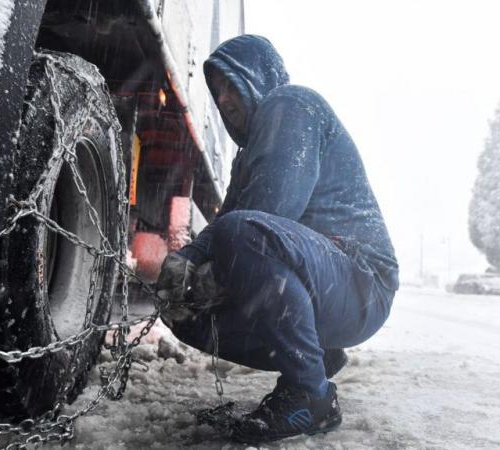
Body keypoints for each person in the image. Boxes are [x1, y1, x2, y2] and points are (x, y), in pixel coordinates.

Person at [156, 34, 398, 444]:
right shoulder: (246, 156)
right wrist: (189, 265)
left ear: (259, 76)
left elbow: (265, 215)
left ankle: (311, 394)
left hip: (362, 282)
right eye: (216, 91)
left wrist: (204, 259)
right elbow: (228, 230)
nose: (224, 99)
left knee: (242, 236)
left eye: (232, 83)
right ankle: (314, 360)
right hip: (324, 285)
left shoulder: (292, 104)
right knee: (187, 313)